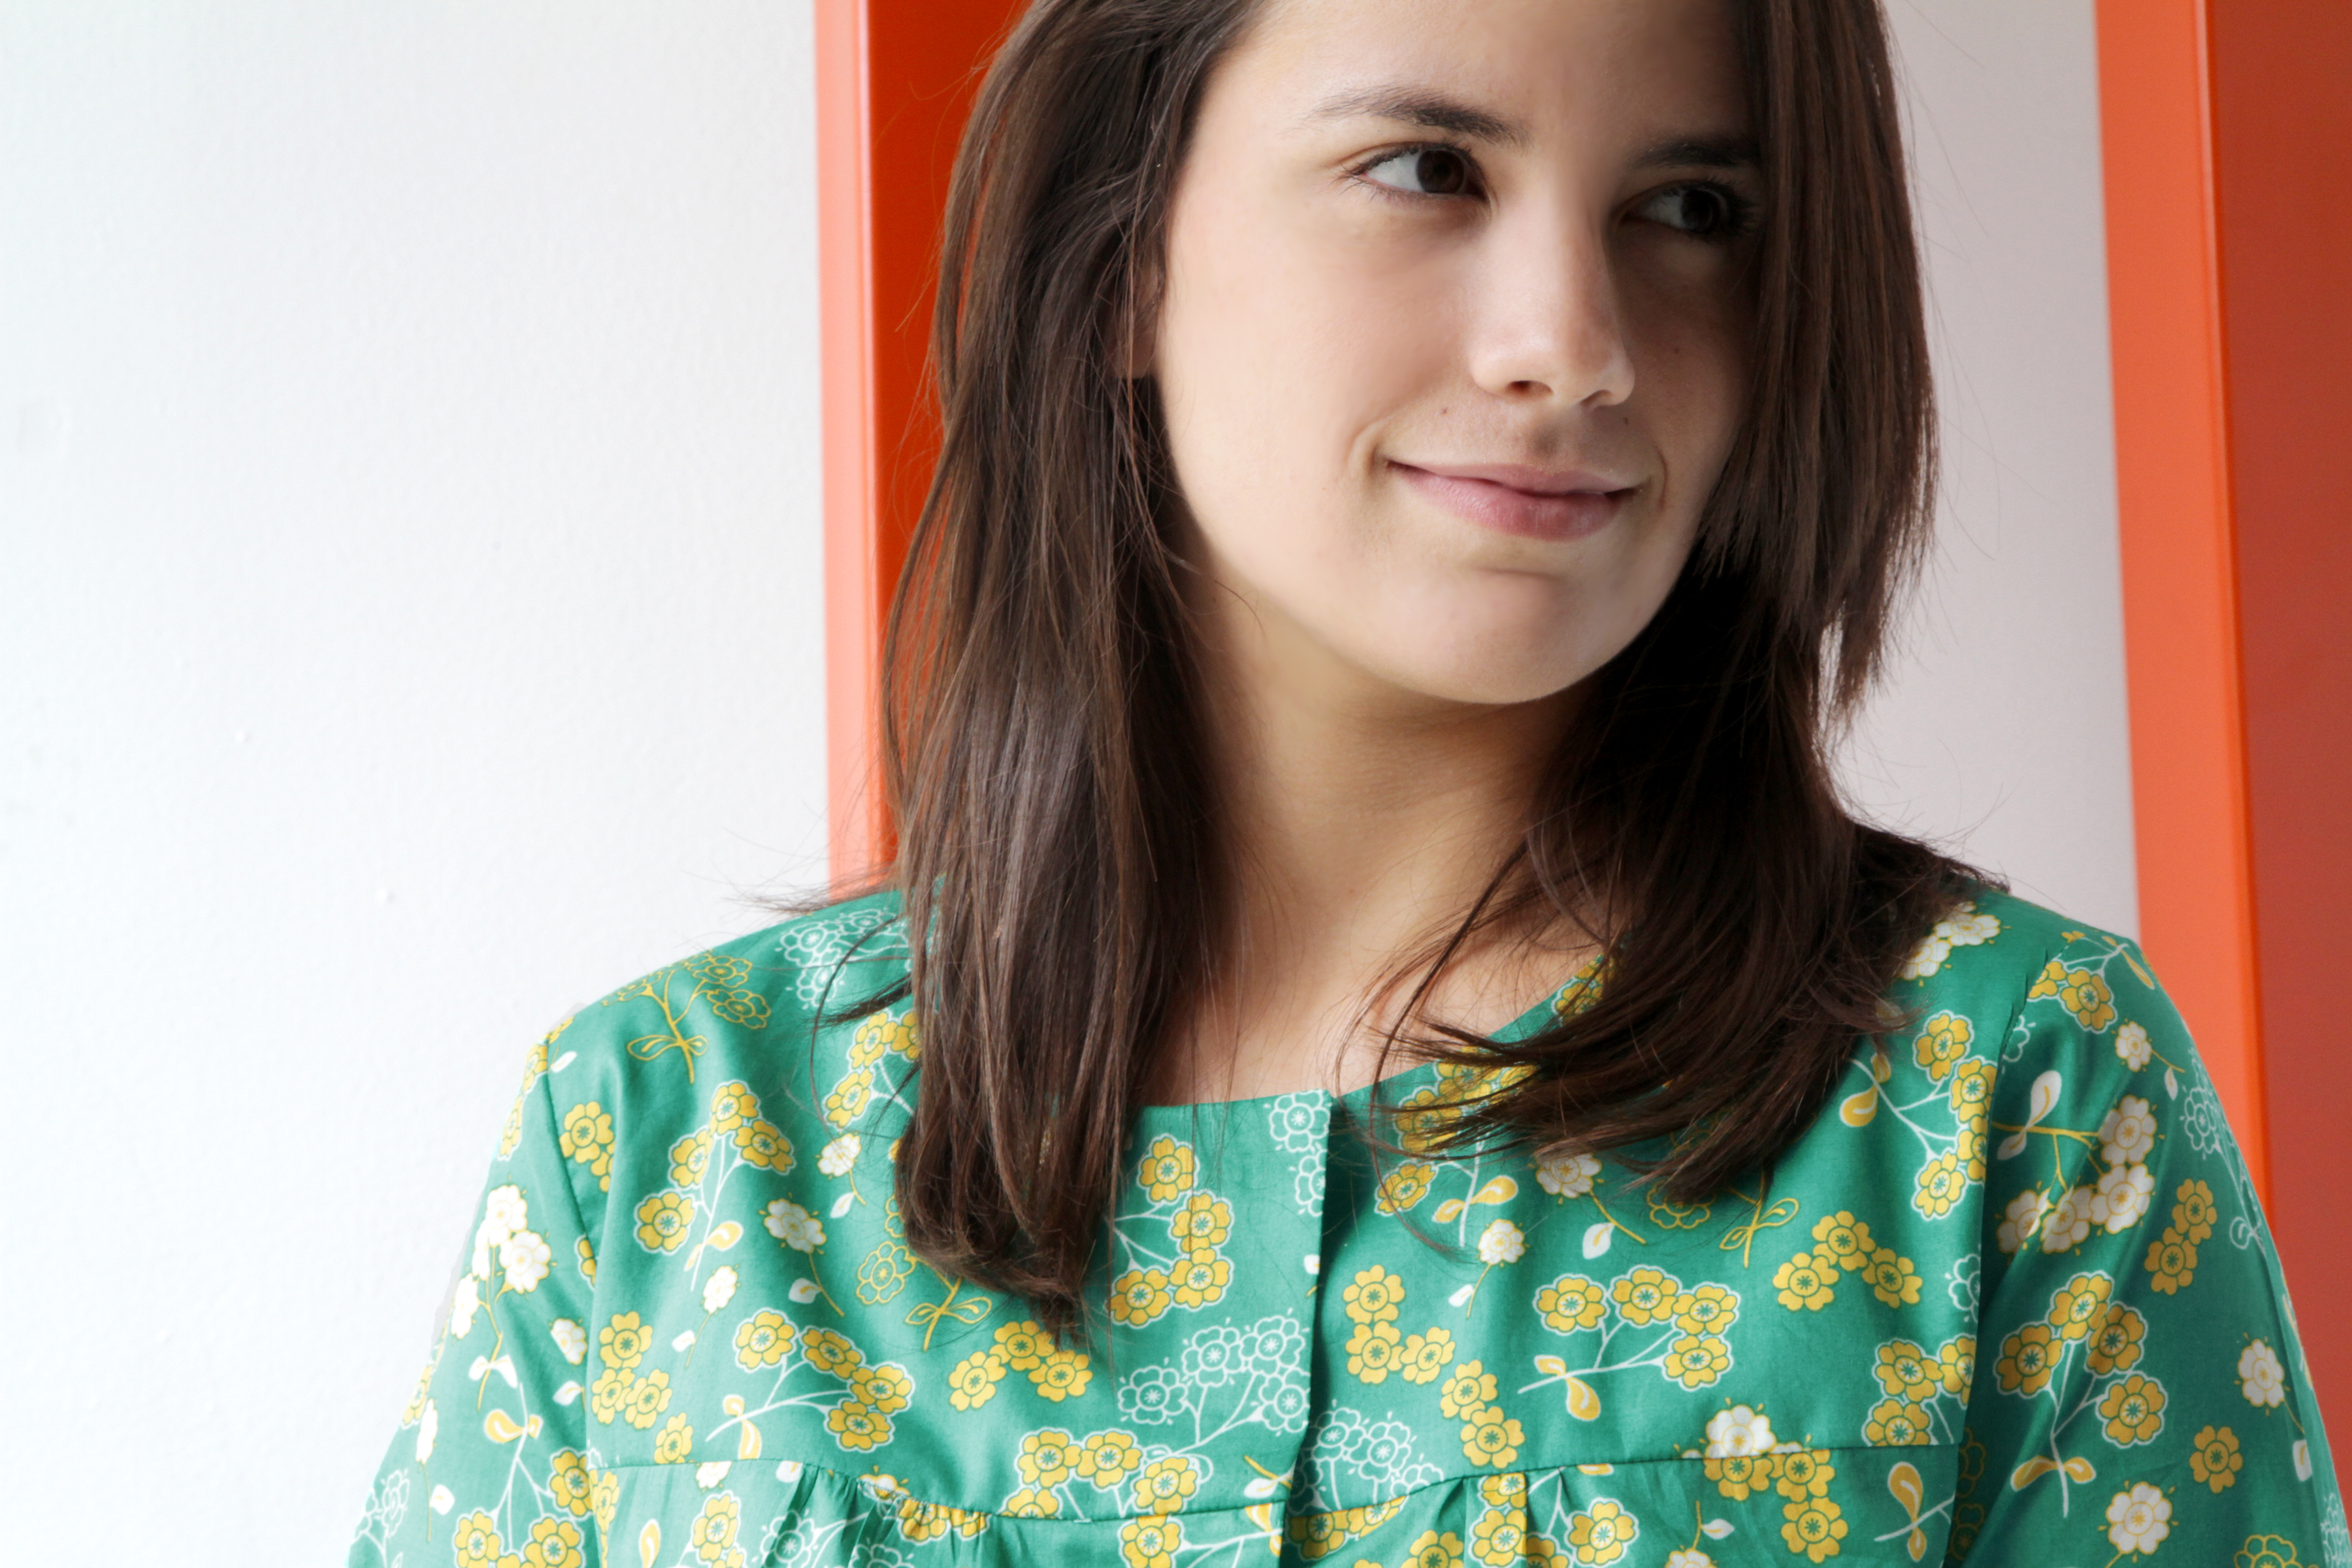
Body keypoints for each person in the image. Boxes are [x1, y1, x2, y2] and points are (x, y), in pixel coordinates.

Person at [349, 0, 2345, 1563]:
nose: (1572, 345)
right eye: (1425, 169)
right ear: (1119, 254)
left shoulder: (2012, 1105)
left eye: (1692, 211)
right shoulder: (664, 1148)